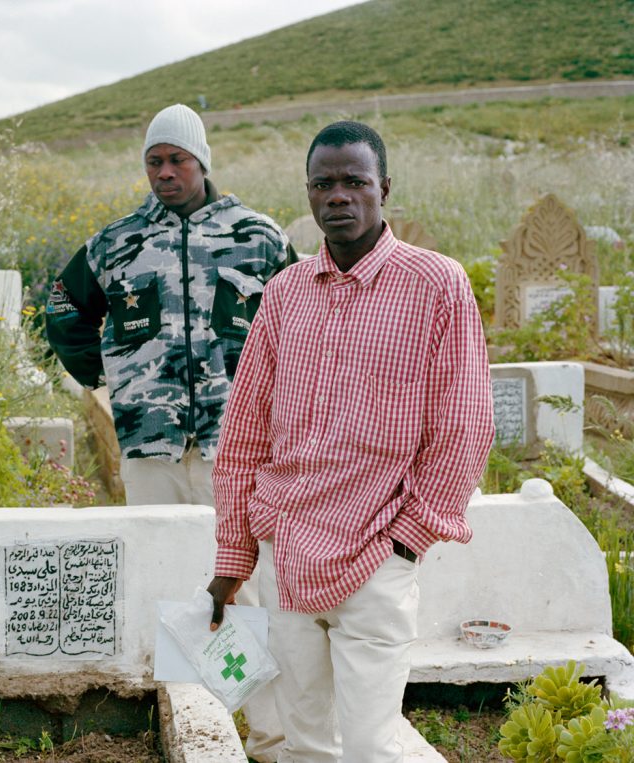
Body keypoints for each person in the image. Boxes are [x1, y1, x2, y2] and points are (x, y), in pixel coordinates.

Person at [208, 120, 494, 762]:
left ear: (383, 188)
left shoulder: (436, 284)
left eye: (354, 181)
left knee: (369, 744)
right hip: (290, 550)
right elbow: (246, 429)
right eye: (323, 183)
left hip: (376, 552)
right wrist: (236, 555)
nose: (338, 195)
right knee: (306, 741)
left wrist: (409, 538)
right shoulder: (284, 295)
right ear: (308, 195)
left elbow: (465, 423)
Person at [45, 103, 294, 760]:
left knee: (247, 584)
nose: (164, 172)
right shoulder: (117, 241)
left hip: (233, 447)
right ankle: (195, 728)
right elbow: (63, 307)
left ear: (201, 161)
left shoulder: (259, 237)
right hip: (149, 444)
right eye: (154, 161)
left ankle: (271, 737)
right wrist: (111, 378)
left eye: (176, 160)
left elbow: (303, 324)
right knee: (168, 583)